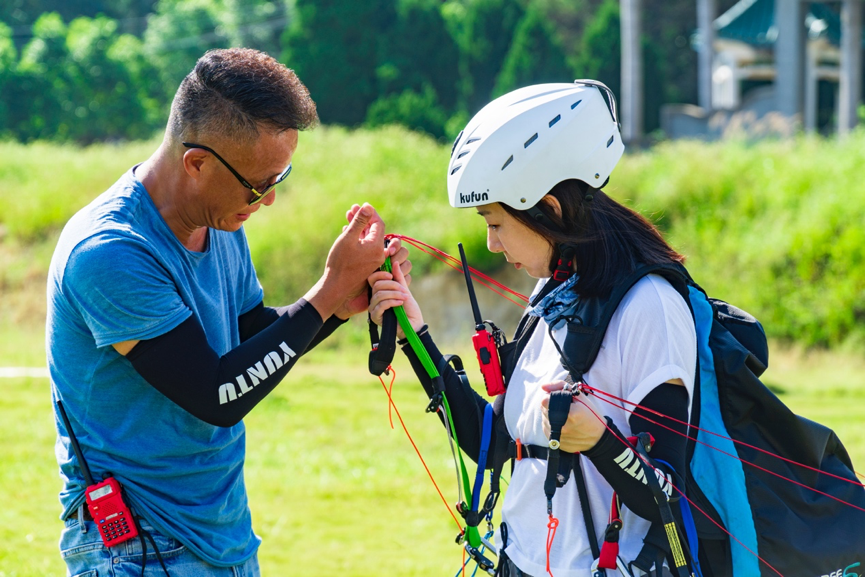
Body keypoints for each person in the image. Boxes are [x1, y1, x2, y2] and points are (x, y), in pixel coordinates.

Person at [47, 48, 410, 576]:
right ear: (197, 163)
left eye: (278, 181)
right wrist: (325, 293)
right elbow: (215, 393)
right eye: (258, 183)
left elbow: (250, 342)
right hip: (139, 549)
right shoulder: (109, 251)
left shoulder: (217, 219)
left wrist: (339, 305)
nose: (267, 201)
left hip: (221, 537)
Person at [368, 81, 697, 576]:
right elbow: (495, 444)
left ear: (549, 207)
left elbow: (667, 499)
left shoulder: (650, 308)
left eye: (495, 223)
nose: (492, 244)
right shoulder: (553, 293)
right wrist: (415, 332)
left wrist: (599, 441)